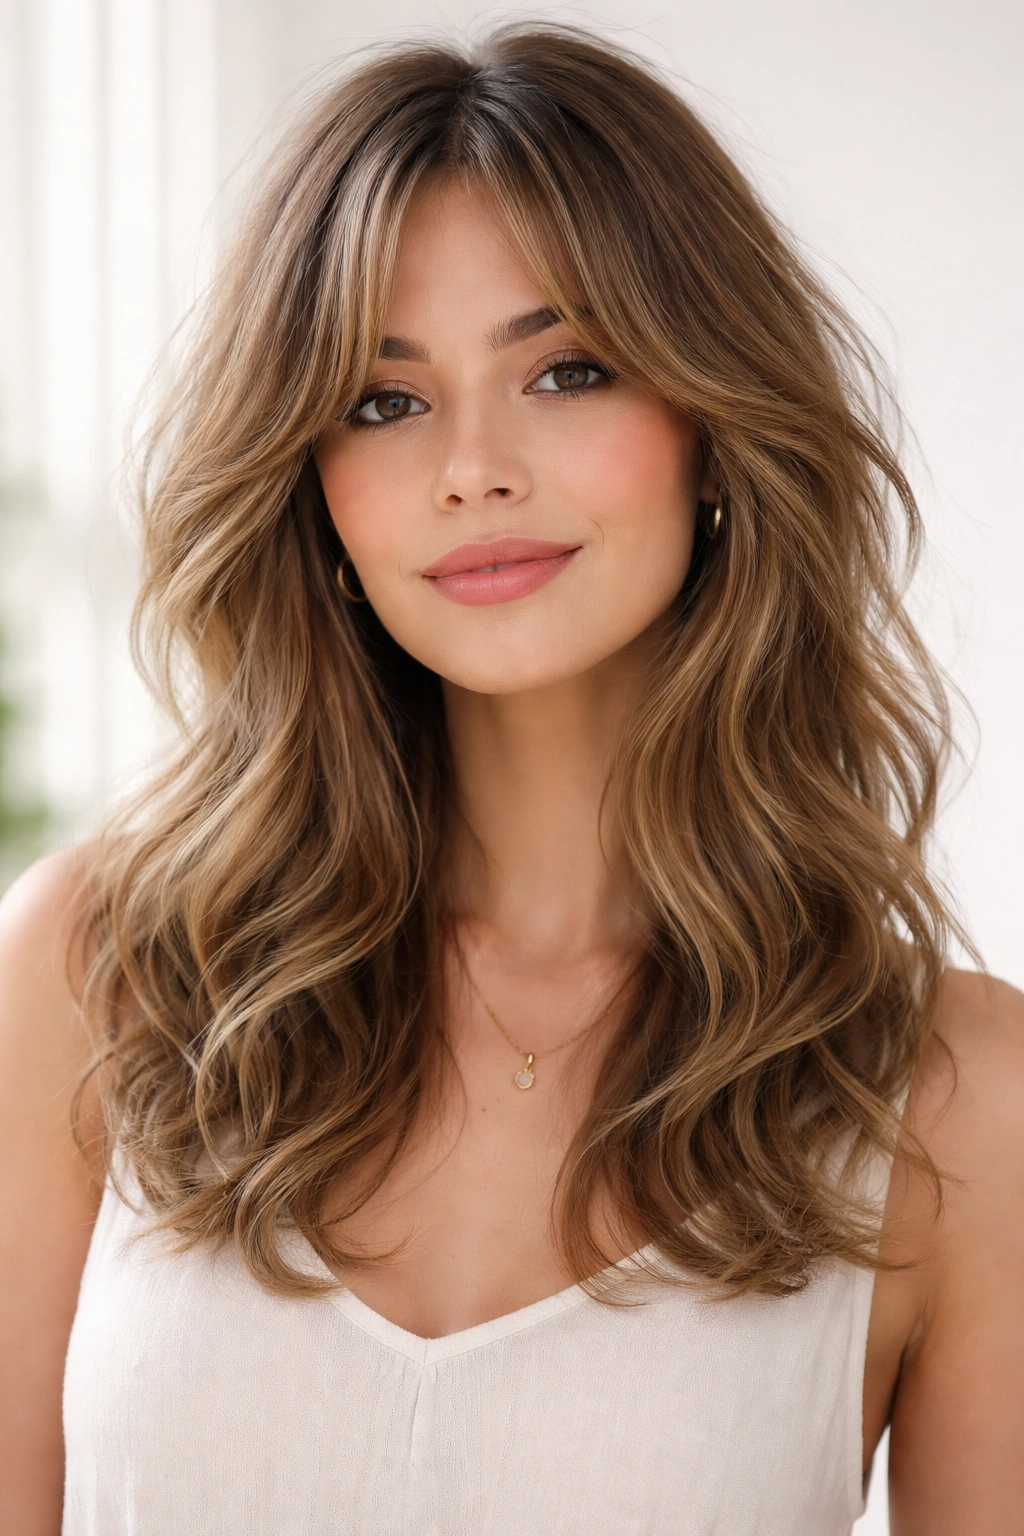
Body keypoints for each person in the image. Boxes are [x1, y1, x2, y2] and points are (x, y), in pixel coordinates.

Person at [1, 24, 1021, 1536]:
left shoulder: (960, 1102)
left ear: (715, 431)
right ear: (310, 485)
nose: (472, 467)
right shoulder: (100, 968)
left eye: (568, 370)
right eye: (386, 399)